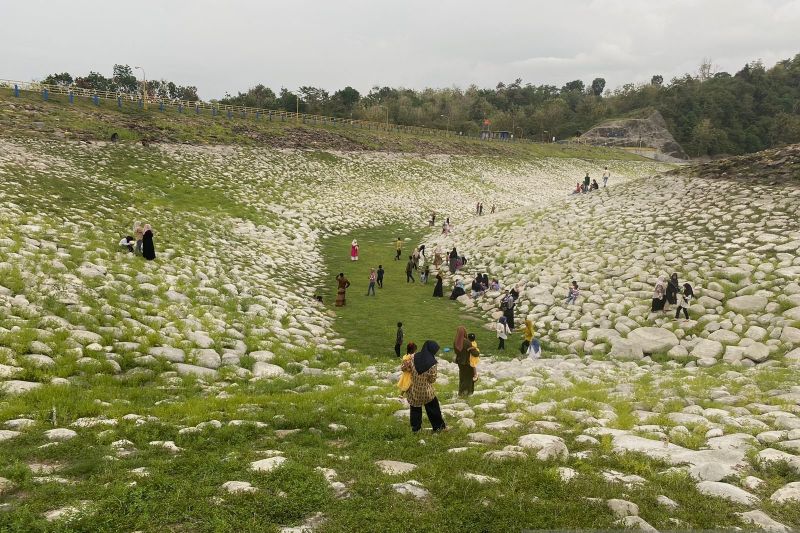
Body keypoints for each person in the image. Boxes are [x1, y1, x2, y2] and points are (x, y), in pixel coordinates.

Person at [402, 340, 446, 433]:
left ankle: (416, 429)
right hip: (426, 392)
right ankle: (439, 427)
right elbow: (432, 379)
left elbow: (404, 368)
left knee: (415, 409)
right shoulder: (433, 363)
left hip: (413, 390)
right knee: (433, 408)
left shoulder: (413, 357)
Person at [453, 326, 472, 396]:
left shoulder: (456, 341)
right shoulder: (467, 342)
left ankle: (461, 391)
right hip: (467, 361)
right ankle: (464, 392)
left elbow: (456, 351)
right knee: (467, 377)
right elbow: (472, 352)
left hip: (459, 361)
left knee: (462, 375)